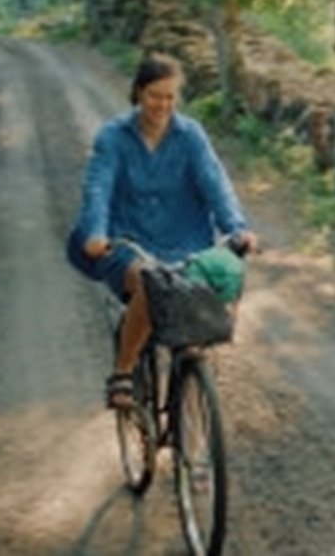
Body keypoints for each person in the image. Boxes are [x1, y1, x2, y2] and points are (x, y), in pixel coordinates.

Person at [66, 52, 259, 410]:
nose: (163, 104)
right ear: (138, 93)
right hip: (127, 243)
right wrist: (95, 233)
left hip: (185, 241)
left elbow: (215, 184)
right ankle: (123, 372)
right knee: (147, 280)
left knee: (197, 303)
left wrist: (237, 228)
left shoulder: (190, 136)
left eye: (171, 96)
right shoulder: (114, 137)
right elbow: (98, 188)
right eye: (155, 95)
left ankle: (189, 387)